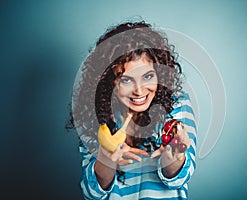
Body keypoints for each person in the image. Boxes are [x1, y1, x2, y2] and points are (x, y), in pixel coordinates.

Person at [68, 20, 197, 199]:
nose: (139, 90)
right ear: (109, 81)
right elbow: (92, 194)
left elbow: (180, 179)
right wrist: (106, 161)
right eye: (126, 80)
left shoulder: (177, 104)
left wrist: (172, 160)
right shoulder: (95, 117)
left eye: (148, 76)